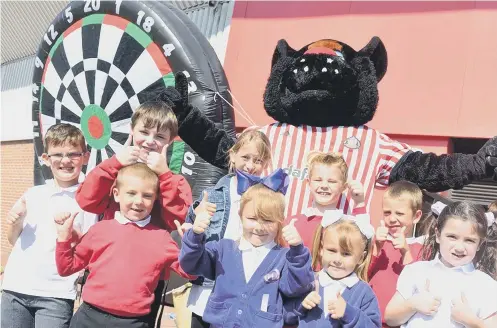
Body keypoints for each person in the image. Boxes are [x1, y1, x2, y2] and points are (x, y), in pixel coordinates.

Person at [75, 101, 192, 326]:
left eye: (159, 136)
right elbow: (86, 201)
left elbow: (178, 218)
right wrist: (114, 163)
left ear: (170, 141)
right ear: (131, 131)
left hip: (144, 285)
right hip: (104, 275)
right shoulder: (114, 170)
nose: (150, 141)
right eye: (144, 132)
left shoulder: (174, 180)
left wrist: (165, 176)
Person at [55, 163, 195, 328]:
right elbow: (66, 268)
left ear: (156, 198)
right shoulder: (99, 230)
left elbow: (190, 273)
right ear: (116, 194)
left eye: (147, 196)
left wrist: (192, 244)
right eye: (131, 193)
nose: (139, 201)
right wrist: (63, 239)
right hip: (88, 318)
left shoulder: (162, 238)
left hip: (133, 322)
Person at [179, 169, 315, 328]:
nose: (259, 227)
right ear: (241, 215)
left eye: (268, 220)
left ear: (280, 221)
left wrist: (298, 252)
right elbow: (191, 264)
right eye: (252, 218)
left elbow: (296, 288)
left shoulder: (284, 258)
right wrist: (195, 235)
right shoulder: (223, 249)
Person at [1, 123, 95, 328]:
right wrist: (15, 224)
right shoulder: (33, 194)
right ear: (45, 159)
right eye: (57, 155)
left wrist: (73, 234)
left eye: (73, 154)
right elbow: (13, 239)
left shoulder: (89, 199)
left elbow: (88, 250)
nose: (65, 161)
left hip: (57, 293)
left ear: (85, 157)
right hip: (15, 287)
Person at [178, 129, 272, 328]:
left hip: (243, 289)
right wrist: (193, 223)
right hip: (210, 286)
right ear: (232, 155)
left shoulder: (268, 199)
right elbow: (191, 230)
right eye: (245, 157)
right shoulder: (212, 195)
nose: (250, 165)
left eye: (258, 160)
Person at [385, 201, 497, 327]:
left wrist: (470, 321)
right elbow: (390, 318)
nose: (459, 247)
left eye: (469, 240)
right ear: (438, 235)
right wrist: (413, 304)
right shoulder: (417, 271)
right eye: (452, 237)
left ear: (479, 244)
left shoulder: (487, 285)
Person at [286, 211, 380, 327]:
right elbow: (285, 315)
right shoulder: (309, 281)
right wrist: (301, 306)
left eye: (346, 254)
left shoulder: (364, 293)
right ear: (321, 249)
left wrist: (349, 313)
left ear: (361, 257)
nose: (337, 259)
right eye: (332, 250)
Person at [367, 180, 424, 328]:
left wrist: (406, 252)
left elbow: (419, 287)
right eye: (387, 212)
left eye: (399, 213)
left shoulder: (421, 247)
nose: (392, 219)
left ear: (416, 216)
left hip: (400, 322)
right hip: (368, 318)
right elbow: (362, 275)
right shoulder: (377, 241)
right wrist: (376, 248)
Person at [284, 151, 367, 248]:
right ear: (309, 183)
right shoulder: (292, 223)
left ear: (344, 187)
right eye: (318, 180)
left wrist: (359, 203)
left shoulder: (347, 224)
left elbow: (364, 242)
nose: (324, 185)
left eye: (332, 181)